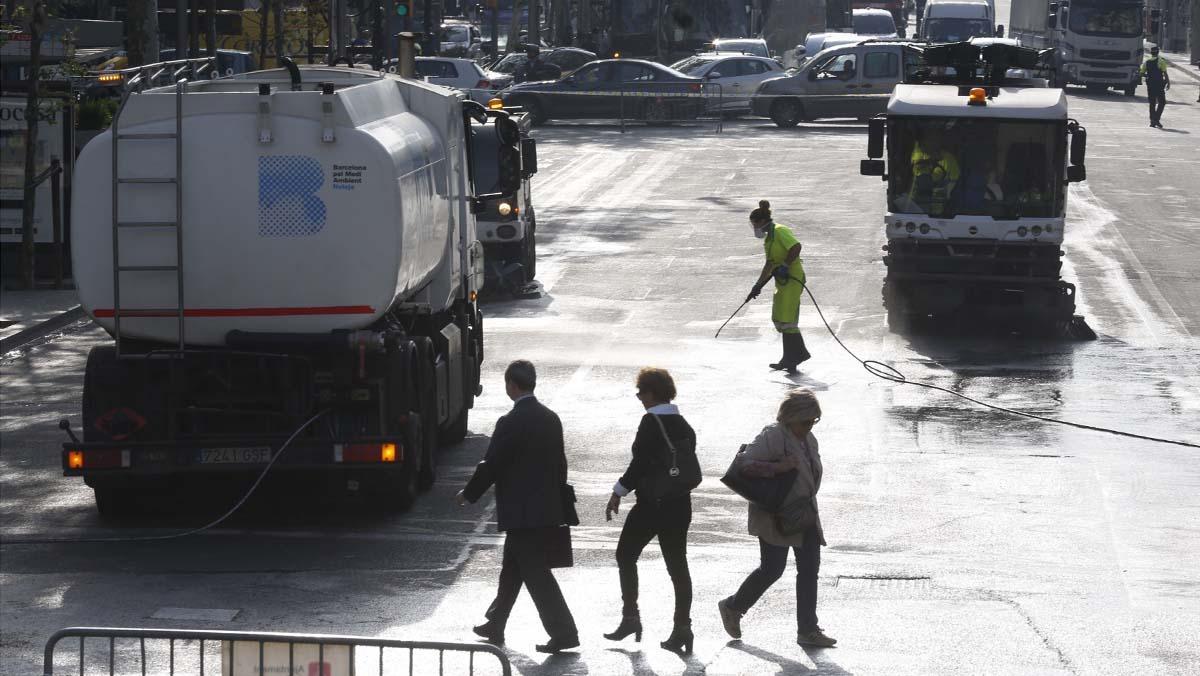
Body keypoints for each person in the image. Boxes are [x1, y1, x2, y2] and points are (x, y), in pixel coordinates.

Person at [457, 360, 580, 654]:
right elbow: (560, 464)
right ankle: (496, 623)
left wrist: (469, 494)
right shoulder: (551, 418)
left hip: (521, 512)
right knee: (511, 569)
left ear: (511, 384)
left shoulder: (510, 422)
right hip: (546, 508)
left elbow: (492, 465)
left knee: (537, 576)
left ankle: (564, 633)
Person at [717, 389, 835, 648]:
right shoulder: (772, 435)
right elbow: (744, 465)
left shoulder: (809, 439)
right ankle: (733, 606)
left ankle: (808, 629)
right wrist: (778, 467)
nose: (810, 426)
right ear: (792, 417)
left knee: (809, 570)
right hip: (774, 515)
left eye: (814, 421)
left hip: (803, 513)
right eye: (806, 421)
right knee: (772, 569)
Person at [603, 368, 697, 654]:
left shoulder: (650, 422)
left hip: (651, 505)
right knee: (678, 567)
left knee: (625, 555)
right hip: (680, 504)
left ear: (652, 393)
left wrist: (617, 492)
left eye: (641, 392)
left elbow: (640, 464)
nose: (639, 398)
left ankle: (631, 617)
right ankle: (683, 627)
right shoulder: (683, 424)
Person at [746, 200, 810, 374]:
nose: (754, 229)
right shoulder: (769, 238)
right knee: (780, 318)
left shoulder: (780, 231)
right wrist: (757, 285)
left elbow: (796, 247)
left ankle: (794, 357)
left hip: (792, 277)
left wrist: (786, 265)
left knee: (788, 319)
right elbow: (769, 264)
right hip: (782, 281)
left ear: (761, 222)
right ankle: (792, 356)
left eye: (754, 224)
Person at [908, 132, 960, 215]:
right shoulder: (917, 154)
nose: (928, 144)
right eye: (926, 141)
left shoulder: (949, 159)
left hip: (941, 206)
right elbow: (916, 172)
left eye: (933, 141)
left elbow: (954, 182)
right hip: (916, 205)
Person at [1140, 45, 1170, 128]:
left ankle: (1152, 121)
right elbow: (1165, 73)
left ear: (1151, 53)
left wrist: (1148, 76)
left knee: (1152, 103)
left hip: (1150, 85)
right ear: (1158, 52)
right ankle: (1156, 119)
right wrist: (1168, 83)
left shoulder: (1147, 62)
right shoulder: (1161, 61)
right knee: (1162, 102)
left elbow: (1142, 73)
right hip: (1159, 85)